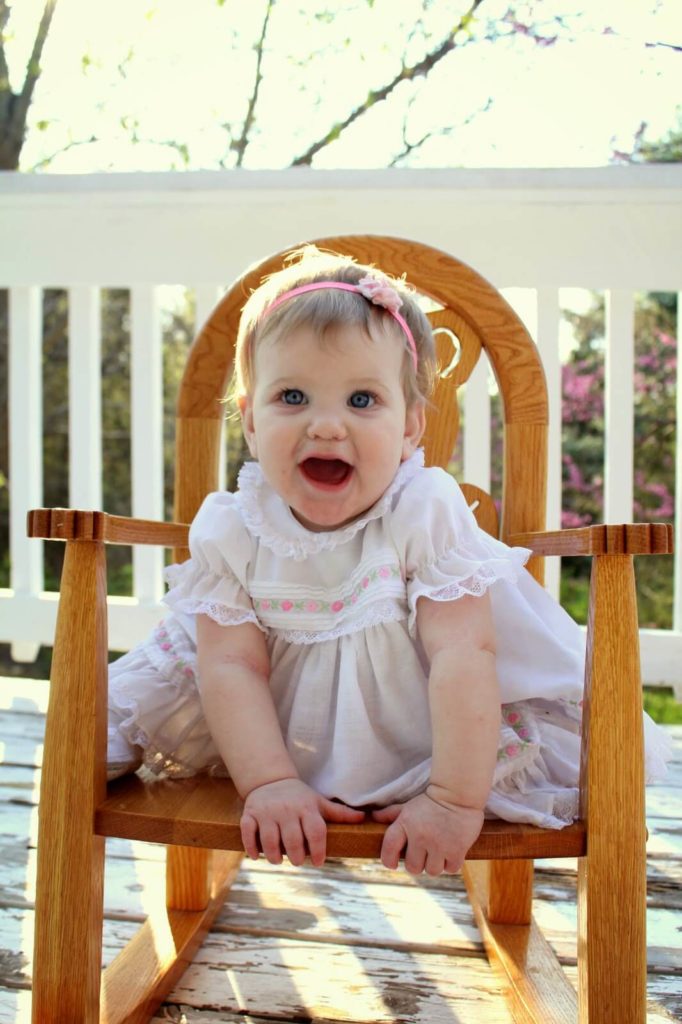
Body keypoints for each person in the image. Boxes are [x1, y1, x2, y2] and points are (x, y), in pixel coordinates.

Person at [107, 246, 670, 877]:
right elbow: (231, 665)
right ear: (252, 424)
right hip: (262, 729)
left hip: (430, 733)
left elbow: (465, 656)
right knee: (105, 724)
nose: (325, 426)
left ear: (410, 430)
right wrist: (268, 784)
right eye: (292, 396)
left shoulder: (422, 510)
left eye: (362, 400)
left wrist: (455, 802)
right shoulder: (233, 527)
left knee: (551, 736)